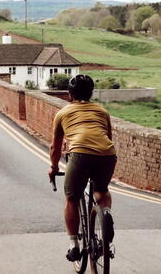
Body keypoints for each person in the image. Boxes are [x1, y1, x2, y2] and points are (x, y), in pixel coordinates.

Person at [48, 74, 117, 262]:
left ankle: (74, 245)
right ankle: (106, 215)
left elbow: (55, 147)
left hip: (79, 153)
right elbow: (107, 137)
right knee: (102, 190)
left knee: (72, 198)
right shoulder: (102, 112)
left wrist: (53, 168)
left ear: (70, 94)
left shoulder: (63, 113)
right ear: (91, 93)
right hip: (107, 153)